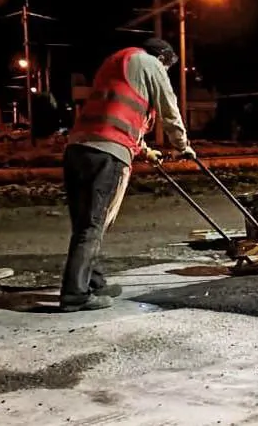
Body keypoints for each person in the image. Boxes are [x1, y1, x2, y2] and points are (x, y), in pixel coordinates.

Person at [59, 38, 196, 312]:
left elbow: (115, 116)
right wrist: (183, 146)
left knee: (85, 222)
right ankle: (75, 294)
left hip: (77, 149)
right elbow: (170, 109)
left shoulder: (114, 63)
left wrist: (145, 151)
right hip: (107, 155)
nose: (165, 72)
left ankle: (92, 281)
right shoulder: (151, 64)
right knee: (94, 224)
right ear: (164, 58)